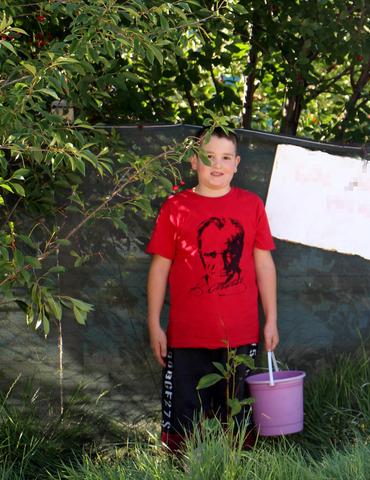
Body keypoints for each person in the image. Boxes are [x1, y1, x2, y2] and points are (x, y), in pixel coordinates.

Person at [146, 126, 280, 450]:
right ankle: (181, 469)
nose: (216, 165)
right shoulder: (175, 208)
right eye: (208, 157)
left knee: (236, 414)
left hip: (240, 334)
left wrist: (271, 318)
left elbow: (264, 265)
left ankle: (235, 467)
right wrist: (153, 323)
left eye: (224, 158)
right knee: (182, 415)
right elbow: (160, 268)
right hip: (186, 336)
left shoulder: (251, 206)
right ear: (194, 161)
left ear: (237, 163)